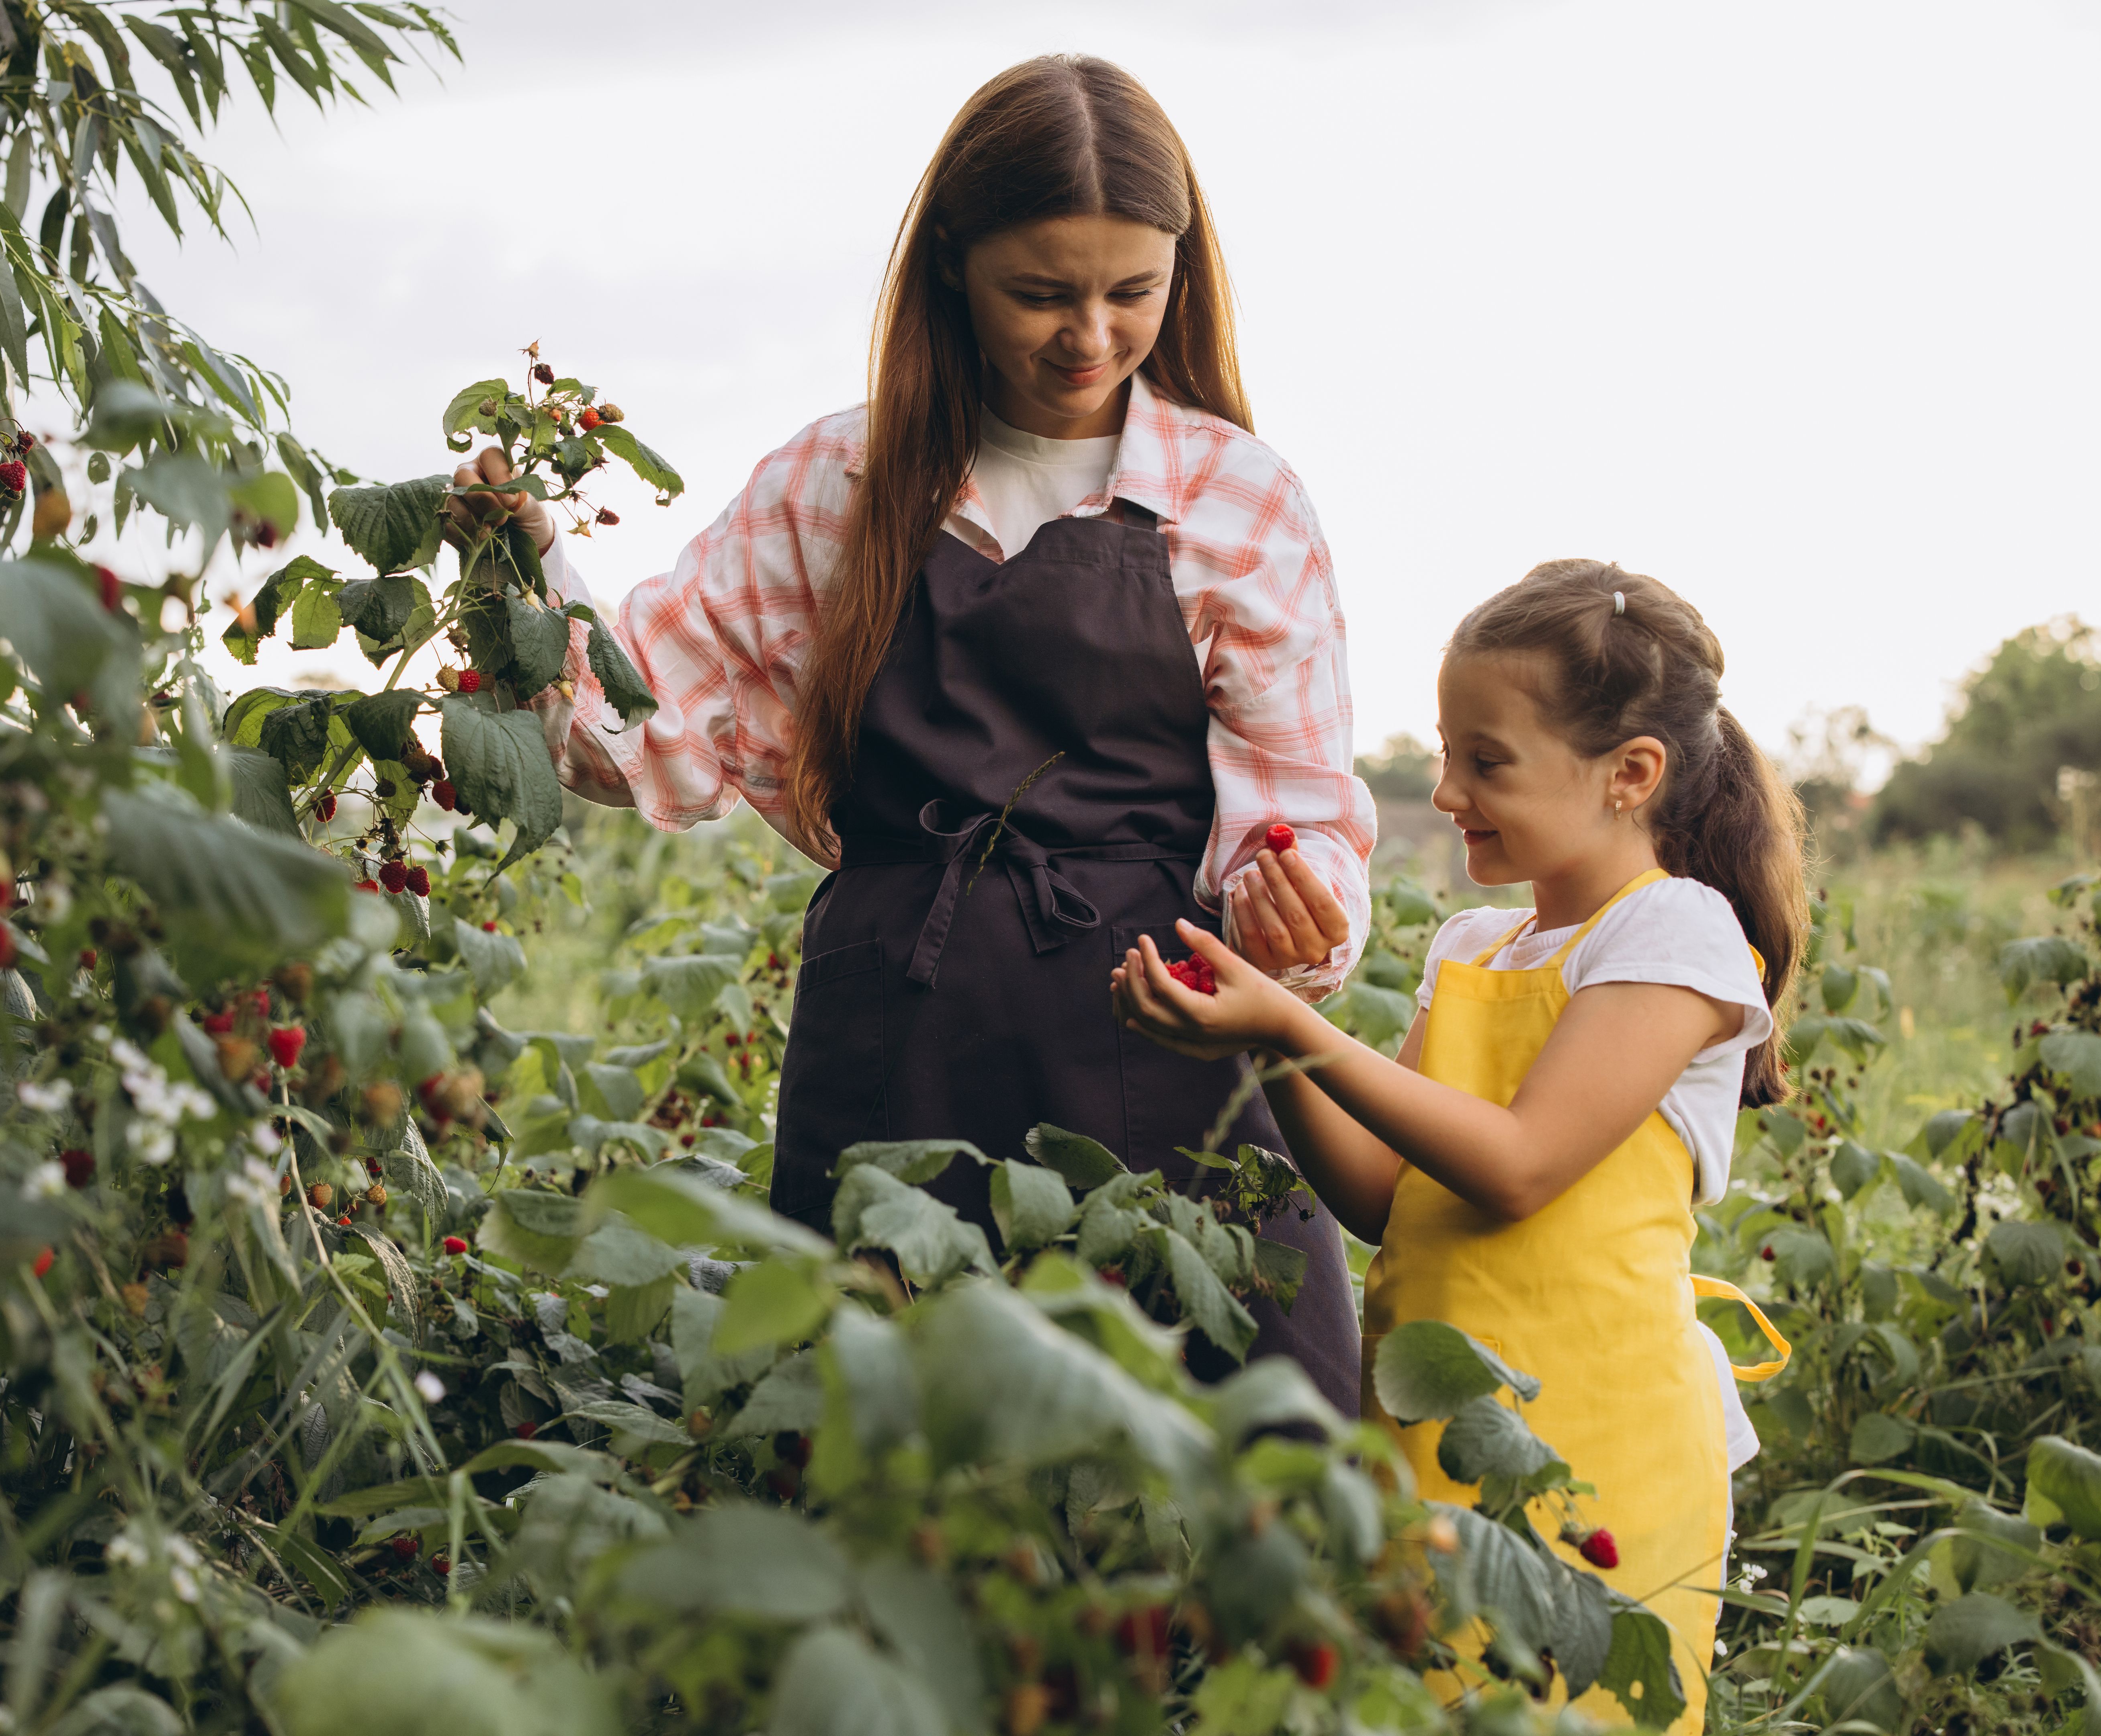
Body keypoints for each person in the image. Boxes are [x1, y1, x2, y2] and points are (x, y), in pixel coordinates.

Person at [448, 54, 1376, 1413]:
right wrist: (521, 569)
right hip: (902, 1036)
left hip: (1162, 1039)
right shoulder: (838, 480)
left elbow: (1299, 809)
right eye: (1043, 293)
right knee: (891, 1469)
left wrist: (1300, 912)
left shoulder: (1239, 498)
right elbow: (630, 729)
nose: (1091, 336)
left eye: (1134, 292)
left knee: (1246, 1472)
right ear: (953, 264)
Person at [1111, 559, 1804, 1730]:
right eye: (1445, 751)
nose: (1444, 791)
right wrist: (1268, 1027)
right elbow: (1386, 1196)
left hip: (1598, 1438)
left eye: (1487, 760)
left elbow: (1518, 1164)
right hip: (1435, 1421)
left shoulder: (1675, 932)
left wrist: (1290, 1022)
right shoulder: (1477, 944)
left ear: (1631, 776)